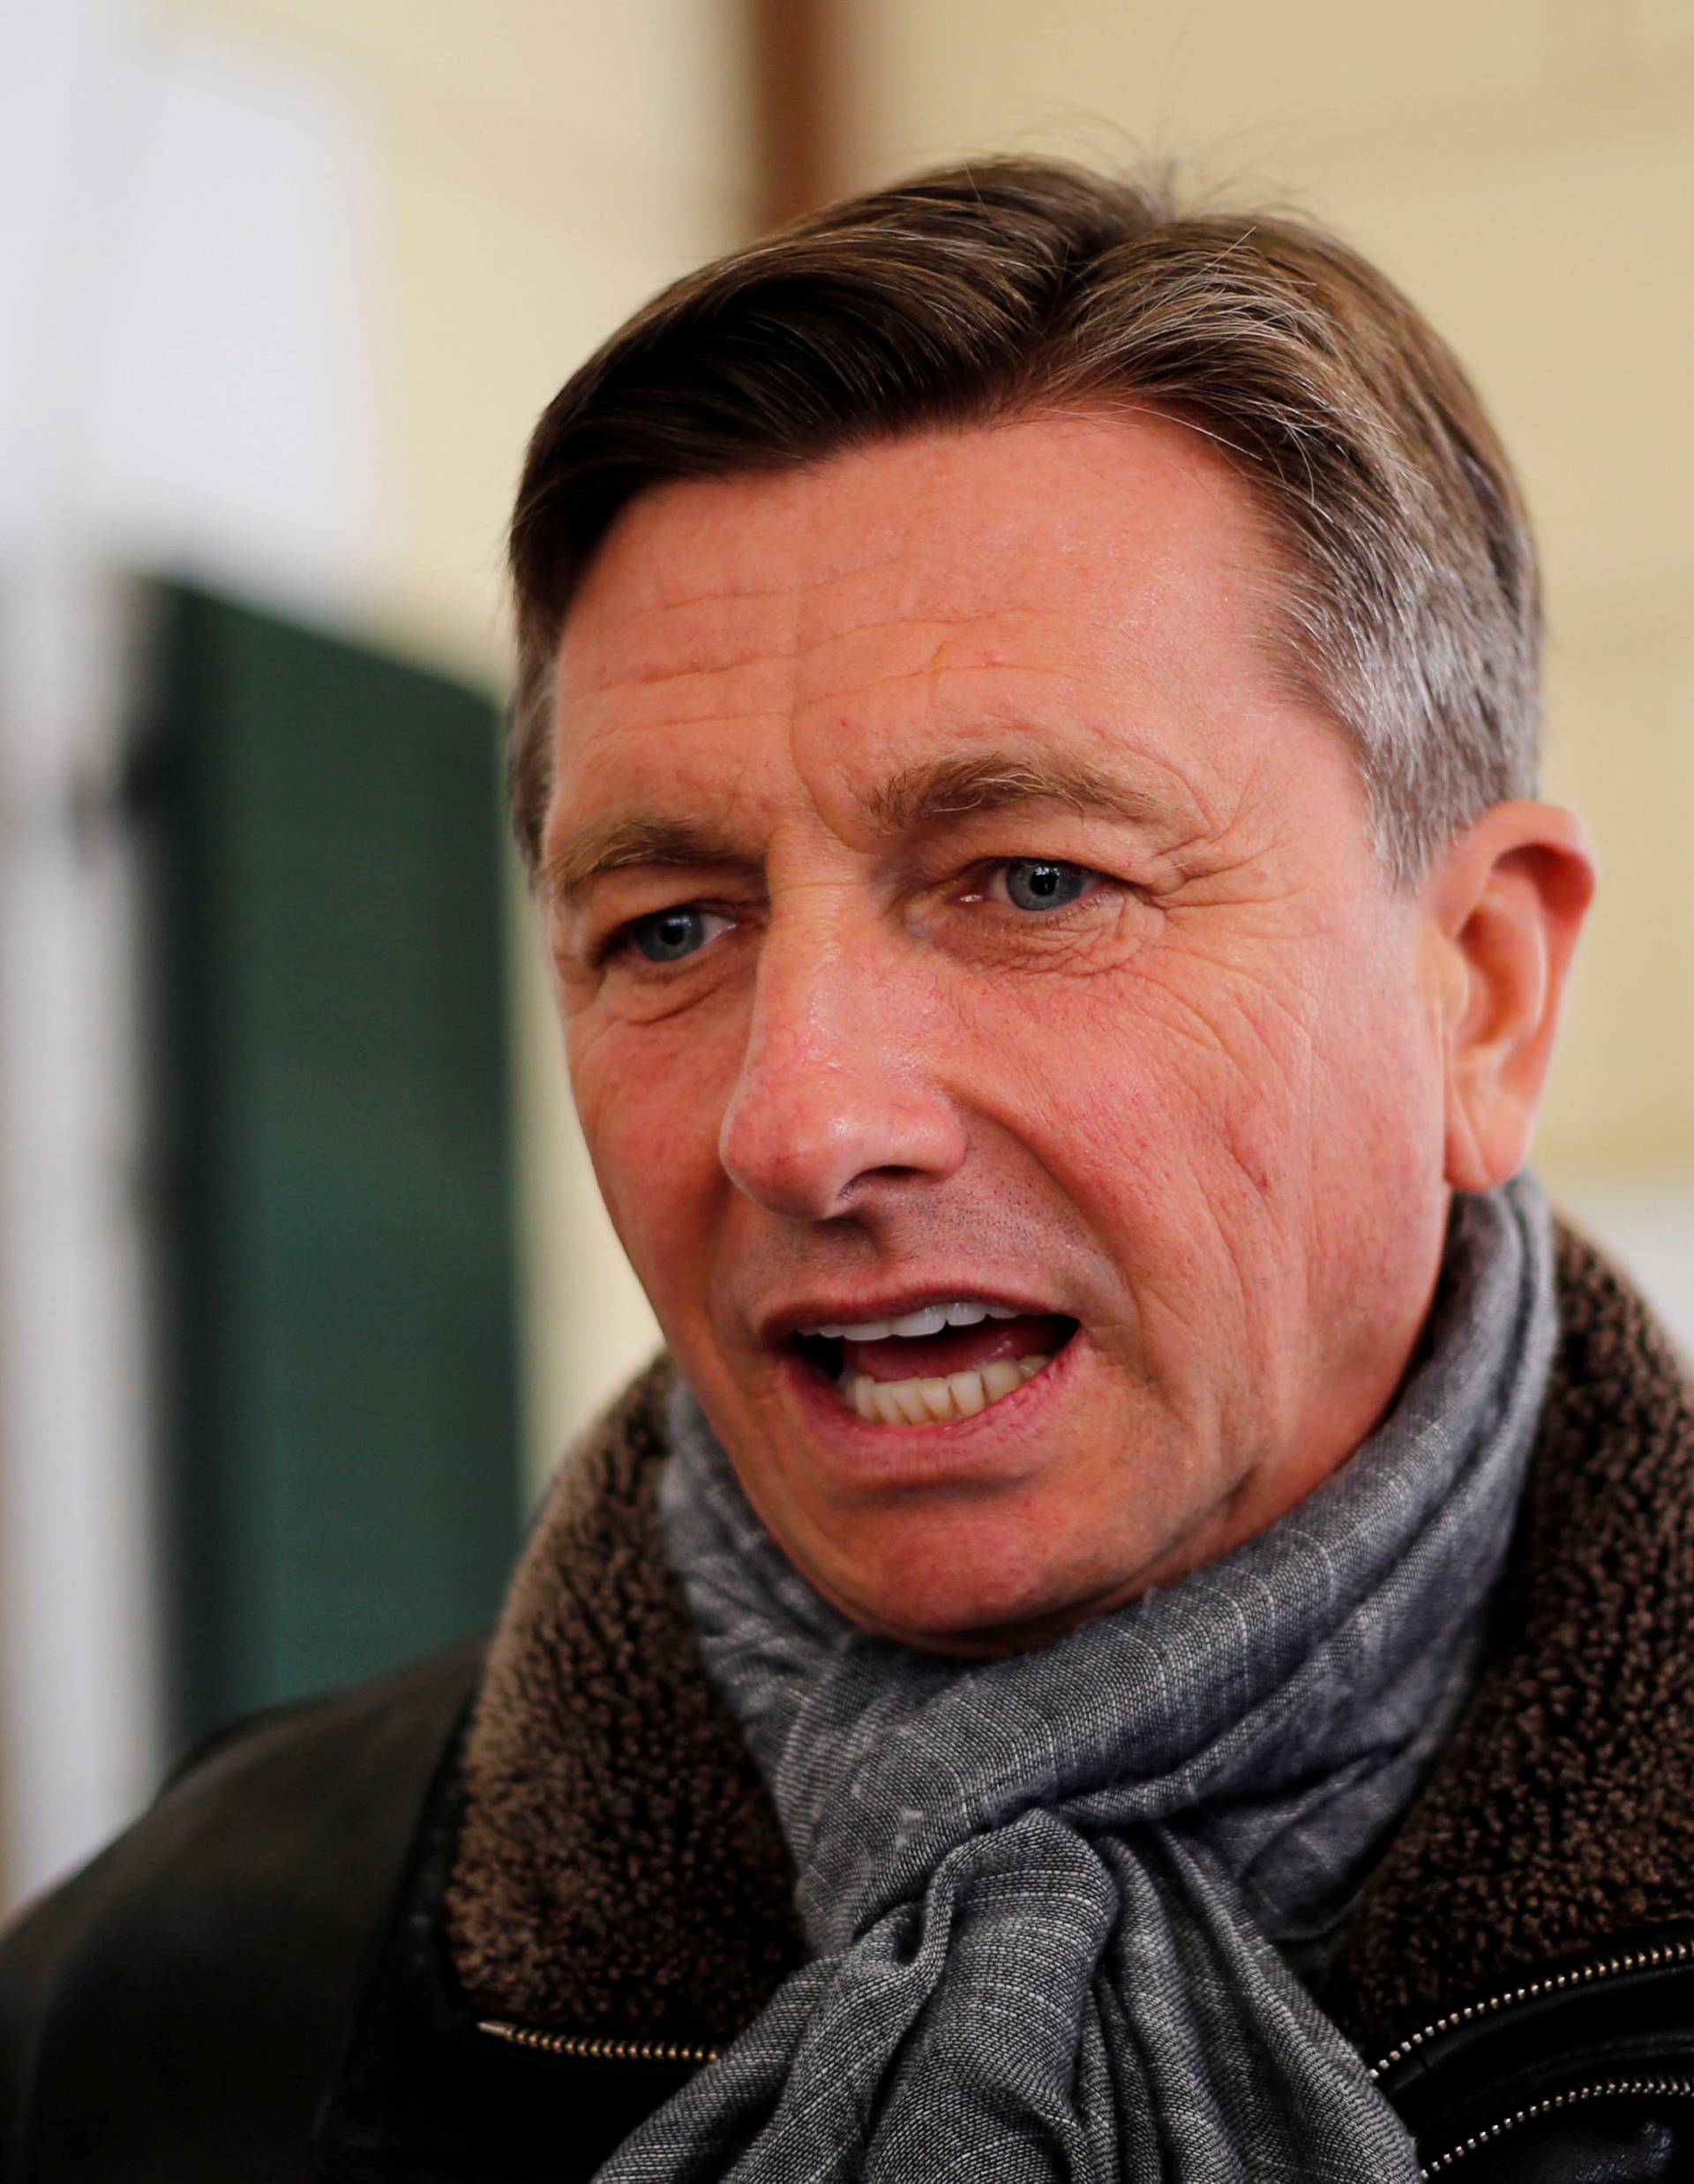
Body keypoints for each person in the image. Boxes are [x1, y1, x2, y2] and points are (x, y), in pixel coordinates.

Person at [4, 155, 1693, 2183]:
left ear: (1483, 990)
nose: (801, 1121)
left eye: (1037, 880)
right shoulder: (165, 2015)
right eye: (673, 928)